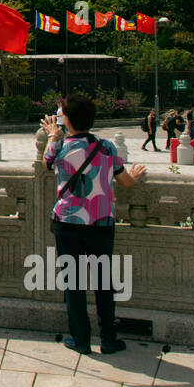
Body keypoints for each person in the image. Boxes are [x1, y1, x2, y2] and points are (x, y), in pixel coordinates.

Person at [41, 92, 145, 356]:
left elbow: (46, 163)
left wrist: (53, 134)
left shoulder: (60, 147)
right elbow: (125, 182)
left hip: (68, 223)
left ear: (67, 120)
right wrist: (133, 175)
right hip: (100, 223)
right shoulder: (106, 146)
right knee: (103, 282)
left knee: (74, 283)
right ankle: (109, 339)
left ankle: (81, 340)